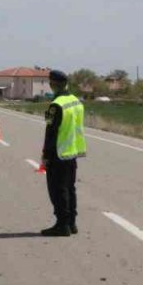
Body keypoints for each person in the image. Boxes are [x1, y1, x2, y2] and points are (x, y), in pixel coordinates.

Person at [39, 69, 86, 237]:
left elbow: (50, 133)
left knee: (58, 190)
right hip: (72, 152)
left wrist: (45, 155)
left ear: (53, 85)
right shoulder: (76, 101)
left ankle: (62, 225)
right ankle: (71, 223)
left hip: (58, 153)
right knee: (69, 188)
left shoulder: (56, 105)